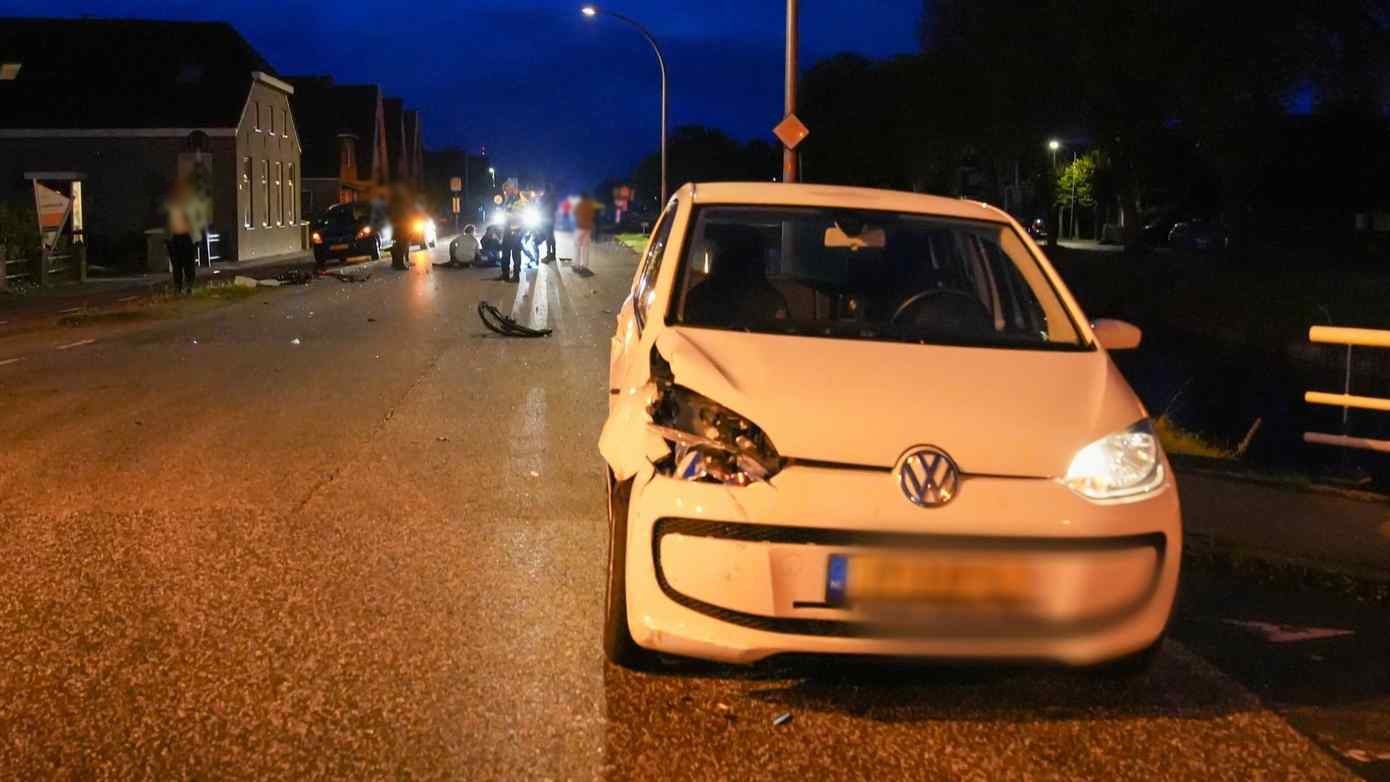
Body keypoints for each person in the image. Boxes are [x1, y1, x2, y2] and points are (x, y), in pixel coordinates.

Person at [165, 178, 199, 294]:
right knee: (177, 265)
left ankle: (188, 286)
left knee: (188, 264)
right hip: (176, 238)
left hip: (186, 237)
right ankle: (178, 287)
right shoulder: (172, 205)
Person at [573, 192, 598, 272]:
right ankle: (584, 265)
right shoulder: (590, 205)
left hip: (580, 227)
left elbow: (575, 213)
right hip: (588, 227)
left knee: (577, 245)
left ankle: (576, 265)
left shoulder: (579, 204)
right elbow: (593, 215)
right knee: (585, 246)